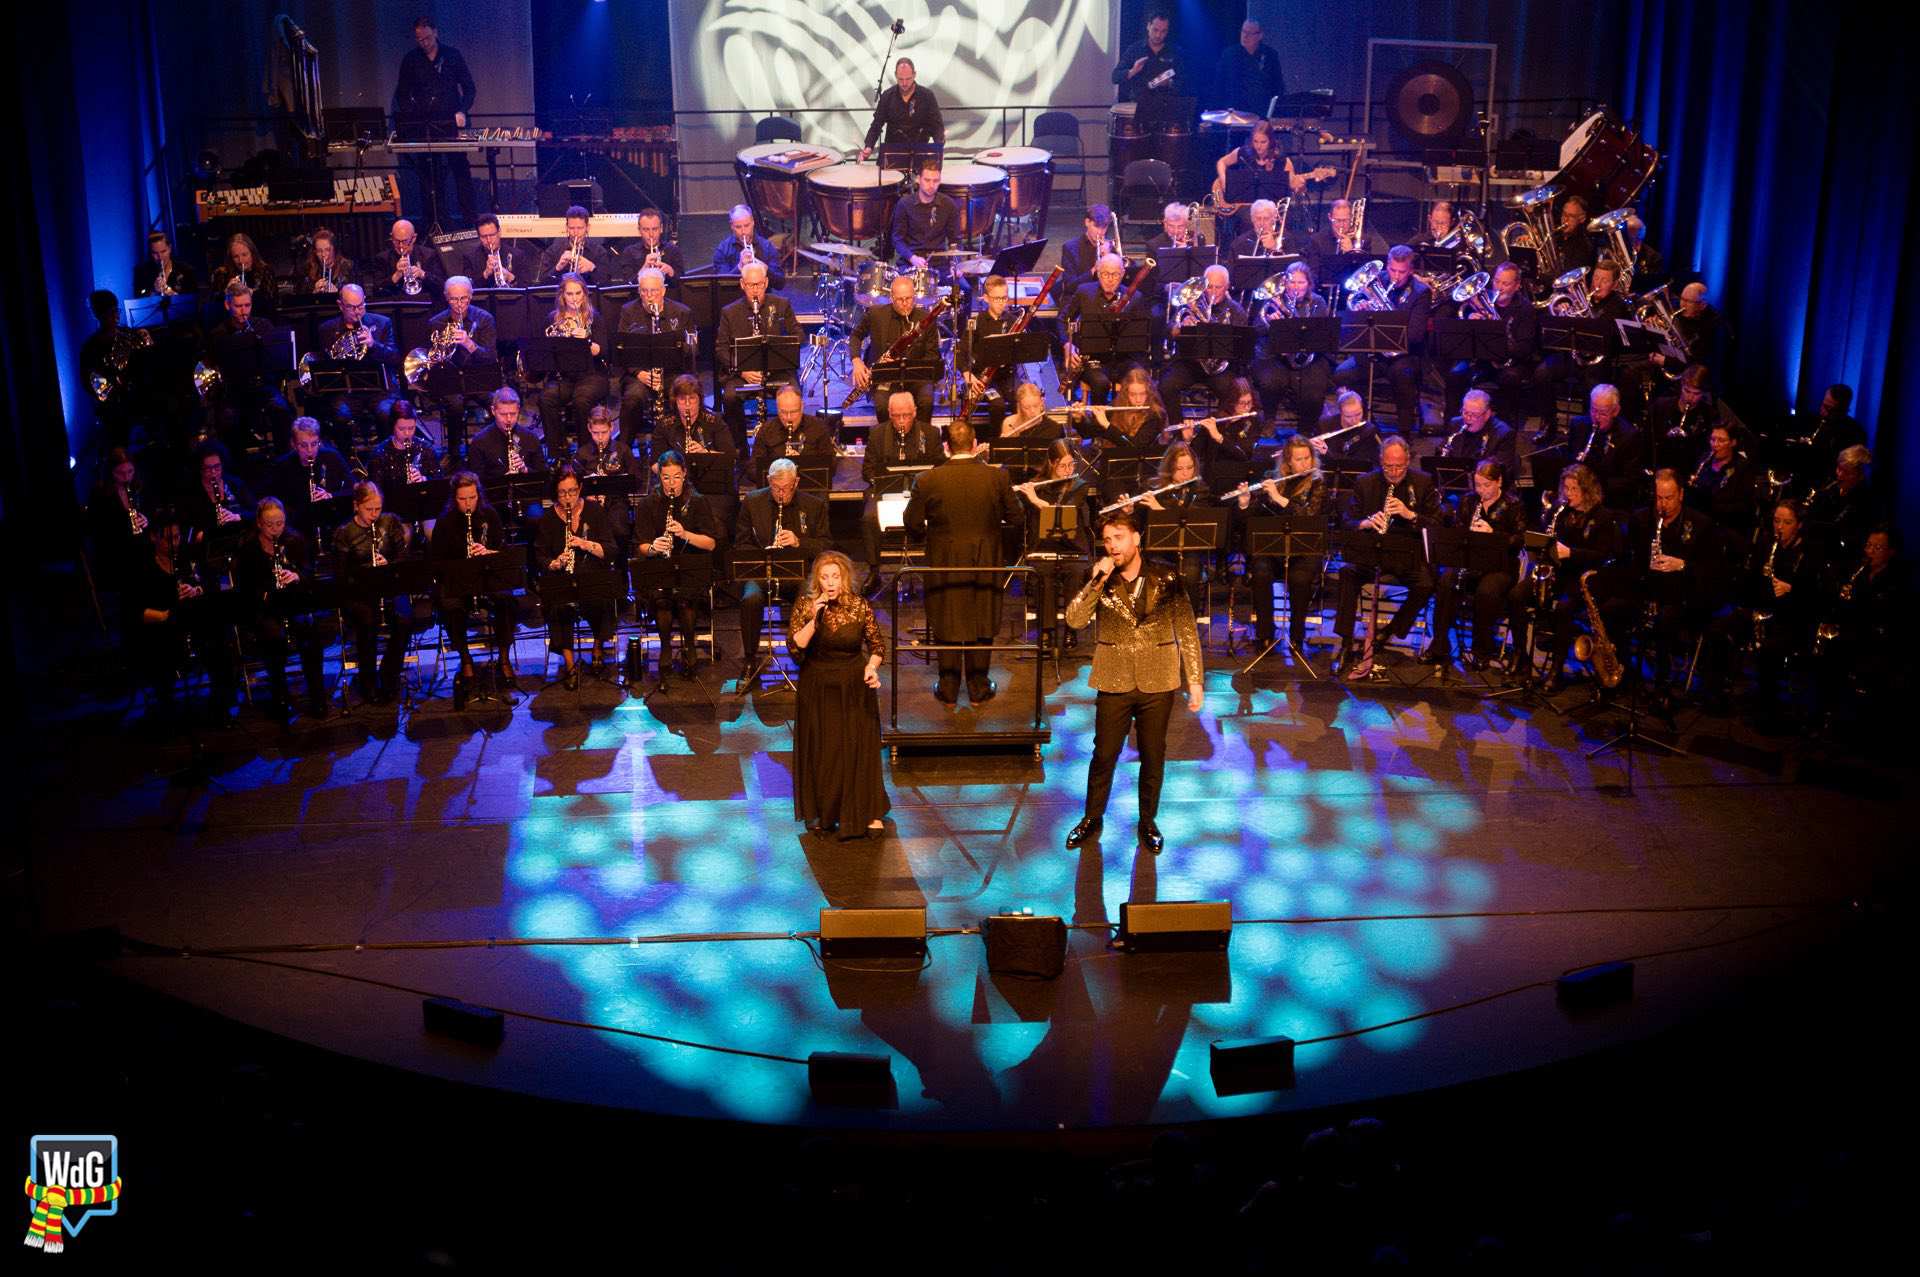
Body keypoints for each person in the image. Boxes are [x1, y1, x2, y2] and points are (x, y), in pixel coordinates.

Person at [1064, 509, 1206, 854]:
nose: (1113, 546)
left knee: (1153, 754)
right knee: (1105, 755)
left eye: (1119, 537)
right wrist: (1096, 581)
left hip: (1158, 679)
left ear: (1136, 539)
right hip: (1114, 677)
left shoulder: (1168, 578)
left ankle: (1148, 820)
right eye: (1108, 540)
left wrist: (1196, 680)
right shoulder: (1100, 579)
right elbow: (1075, 620)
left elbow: (1186, 629)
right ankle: (1091, 818)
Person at [903, 418, 1023, 705]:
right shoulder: (997, 477)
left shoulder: (928, 479)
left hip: (944, 561)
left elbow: (913, 524)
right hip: (986, 560)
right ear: (974, 444)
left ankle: (948, 687)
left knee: (947, 617)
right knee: (982, 617)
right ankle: (979, 687)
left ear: (946, 447)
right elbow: (1017, 518)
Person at [789, 550, 889, 839]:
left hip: (853, 682)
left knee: (856, 746)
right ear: (817, 580)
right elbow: (797, 647)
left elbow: (877, 646)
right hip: (818, 684)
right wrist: (814, 616)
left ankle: (867, 810)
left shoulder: (859, 606)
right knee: (826, 748)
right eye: (825, 577)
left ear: (844, 578)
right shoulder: (806, 606)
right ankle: (825, 810)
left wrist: (872, 668)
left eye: (835, 576)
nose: (830, 582)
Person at [1331, 434, 1442, 680]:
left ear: (1408, 461)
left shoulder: (1423, 483)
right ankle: (1346, 643)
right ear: (1380, 461)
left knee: (1426, 584)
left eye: (1399, 466)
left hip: (1406, 556)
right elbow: (1346, 522)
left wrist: (1409, 514)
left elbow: (1437, 524)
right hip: (1371, 552)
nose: (1393, 472)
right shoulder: (1365, 483)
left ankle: (1390, 631)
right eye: (1388, 466)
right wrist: (1366, 523)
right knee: (1347, 573)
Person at [1506, 463, 1620, 693]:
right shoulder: (1559, 510)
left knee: (1564, 609)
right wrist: (1539, 543)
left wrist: (1572, 553)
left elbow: (1604, 555)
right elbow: (1538, 536)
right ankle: (1521, 655)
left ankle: (1555, 670)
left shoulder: (1603, 516)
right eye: (1566, 488)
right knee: (1516, 595)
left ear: (1587, 490)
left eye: (1574, 489)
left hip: (1582, 578)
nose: (1568, 494)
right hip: (1555, 572)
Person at [123, 511, 235, 725]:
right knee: (161, 653)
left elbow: (212, 583)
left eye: (177, 537)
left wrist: (198, 590)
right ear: (154, 537)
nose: (175, 544)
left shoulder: (187, 559)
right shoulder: (143, 567)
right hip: (160, 629)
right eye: (168, 539)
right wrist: (167, 613)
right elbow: (134, 611)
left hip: (192, 623)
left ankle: (220, 706)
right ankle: (167, 711)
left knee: (219, 643)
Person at [1423, 459, 1525, 671]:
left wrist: (1493, 535)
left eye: (1486, 485)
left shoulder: (1514, 505)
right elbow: (1458, 531)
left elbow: (1520, 539)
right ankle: (1439, 644)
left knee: (1486, 591)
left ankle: (1481, 650)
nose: (1481, 490)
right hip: (1469, 562)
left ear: (1499, 482)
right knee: (1446, 580)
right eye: (1478, 485)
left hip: (1500, 567)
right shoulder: (1468, 501)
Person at [235, 497, 328, 722]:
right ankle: (280, 697)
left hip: (294, 602)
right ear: (259, 523)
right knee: (273, 639)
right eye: (270, 524)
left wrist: (296, 576)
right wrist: (267, 588)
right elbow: (244, 588)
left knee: (311, 636)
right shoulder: (249, 549)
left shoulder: (294, 540)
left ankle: (317, 696)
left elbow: (309, 573)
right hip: (265, 608)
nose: (276, 529)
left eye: (280, 523)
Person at [735, 458, 830, 676]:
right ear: (769, 481)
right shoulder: (752, 501)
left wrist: (799, 543)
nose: (781, 494)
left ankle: (801, 653)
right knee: (750, 598)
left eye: (786, 489)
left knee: (807, 596)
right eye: (776, 488)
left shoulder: (814, 505)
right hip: (761, 570)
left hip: (798, 572)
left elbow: (826, 546)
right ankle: (750, 659)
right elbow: (741, 543)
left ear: (796, 482)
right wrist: (764, 553)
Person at [431, 470, 518, 706]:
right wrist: (460, 561)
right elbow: (436, 563)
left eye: (472, 497)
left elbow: (503, 552)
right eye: (462, 499)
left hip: (487, 579)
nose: (468, 503)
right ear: (454, 498)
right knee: (450, 605)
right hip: (458, 583)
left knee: (506, 600)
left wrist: (488, 554)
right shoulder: (445, 522)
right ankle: (466, 658)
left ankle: (503, 657)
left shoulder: (489, 514)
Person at [632, 450, 719, 680]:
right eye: (666, 478)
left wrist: (685, 534)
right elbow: (640, 546)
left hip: (691, 570)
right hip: (659, 569)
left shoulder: (698, 501)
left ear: (685, 474)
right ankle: (666, 648)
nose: (672, 484)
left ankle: (689, 646)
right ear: (659, 477)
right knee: (661, 598)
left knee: (685, 599)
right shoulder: (649, 504)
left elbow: (710, 544)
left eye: (677, 477)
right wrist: (654, 547)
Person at [1238, 437, 1328, 658]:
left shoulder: (1318, 483)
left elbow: (1310, 516)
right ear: (1288, 462)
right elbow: (1251, 521)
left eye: (1308, 458)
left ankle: (1297, 636)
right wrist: (1244, 502)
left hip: (1304, 548)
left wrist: (1279, 498)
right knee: (1260, 572)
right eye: (1299, 459)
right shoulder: (1273, 479)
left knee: (1299, 579)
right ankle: (1265, 635)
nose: (1305, 463)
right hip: (1273, 547)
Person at [535, 465, 620, 689]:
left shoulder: (594, 512)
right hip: (563, 579)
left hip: (592, 576)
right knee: (556, 606)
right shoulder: (547, 518)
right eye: (563, 493)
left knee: (604, 599)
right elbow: (540, 555)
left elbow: (610, 550)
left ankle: (597, 648)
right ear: (556, 492)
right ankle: (570, 663)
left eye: (573, 491)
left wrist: (585, 544)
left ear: (580, 488)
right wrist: (554, 563)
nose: (568, 497)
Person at [1332, 244, 1430, 434]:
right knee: (1343, 374)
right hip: (1374, 351)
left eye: (1402, 272)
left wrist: (1388, 317)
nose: (1396, 276)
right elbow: (1355, 313)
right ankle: (1368, 426)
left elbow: (1416, 335)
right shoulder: (1377, 280)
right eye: (1392, 270)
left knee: (1404, 376)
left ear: (1410, 270)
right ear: (1387, 265)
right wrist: (1363, 310)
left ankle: (1404, 433)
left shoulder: (1420, 292)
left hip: (1404, 354)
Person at [391, 15, 477, 226]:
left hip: (451, 124)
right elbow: (401, 94)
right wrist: (413, 115)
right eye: (420, 40)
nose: (425, 43)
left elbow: (469, 89)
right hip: (425, 127)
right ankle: (436, 224)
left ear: (435, 33)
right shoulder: (411, 60)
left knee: (460, 171)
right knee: (430, 176)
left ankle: (469, 222)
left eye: (428, 38)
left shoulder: (452, 56)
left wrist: (462, 111)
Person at [332, 481, 413, 705]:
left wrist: (388, 564)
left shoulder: (390, 522)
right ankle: (367, 679)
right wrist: (365, 572)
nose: (374, 515)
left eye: (378, 509)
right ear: (356, 506)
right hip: (360, 593)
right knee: (367, 622)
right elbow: (340, 576)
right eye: (369, 510)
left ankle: (390, 671)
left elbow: (404, 558)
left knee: (404, 619)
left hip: (390, 586)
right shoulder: (344, 533)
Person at [862, 390, 943, 595]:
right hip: (887, 493)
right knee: (869, 517)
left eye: (906, 415)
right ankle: (874, 571)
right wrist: (880, 480)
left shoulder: (931, 433)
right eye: (896, 416)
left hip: (921, 494)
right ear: (889, 414)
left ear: (915, 412)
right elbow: (867, 470)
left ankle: (937, 568)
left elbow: (940, 466)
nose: (901, 421)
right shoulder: (877, 434)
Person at [202, 280, 292, 450]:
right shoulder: (218, 334)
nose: (244, 311)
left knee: (281, 410)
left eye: (247, 305)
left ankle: (283, 459)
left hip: (263, 386)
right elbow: (212, 367)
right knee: (228, 418)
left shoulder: (263, 326)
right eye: (238, 306)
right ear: (228, 306)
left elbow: (277, 361)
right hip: (234, 391)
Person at [715, 260, 801, 439]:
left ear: (766, 283)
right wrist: (743, 370)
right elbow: (721, 348)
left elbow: (799, 336)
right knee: (730, 397)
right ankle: (740, 447)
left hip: (777, 371)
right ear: (742, 284)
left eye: (759, 285)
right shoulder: (729, 312)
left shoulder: (781, 305)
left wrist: (781, 345)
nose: (755, 290)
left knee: (793, 392)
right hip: (742, 374)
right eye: (750, 285)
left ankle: (786, 441)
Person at [616, 267, 696, 446]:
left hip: (672, 372)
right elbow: (621, 349)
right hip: (641, 374)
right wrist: (639, 373)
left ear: (663, 290)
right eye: (644, 291)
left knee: (682, 392)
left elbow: (693, 348)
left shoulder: (682, 312)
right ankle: (624, 450)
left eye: (654, 290)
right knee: (633, 398)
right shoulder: (628, 312)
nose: (649, 295)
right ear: (639, 291)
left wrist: (677, 347)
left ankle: (683, 442)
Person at [1250, 260, 1334, 427]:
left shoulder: (1318, 302)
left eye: (1301, 282)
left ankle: (1307, 428)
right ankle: (1269, 420)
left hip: (1308, 356)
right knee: (1269, 381)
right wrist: (1269, 322)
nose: (1296, 287)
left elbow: (1321, 333)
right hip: (1274, 355)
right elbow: (1256, 329)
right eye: (1292, 282)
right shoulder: (1271, 301)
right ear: (1285, 283)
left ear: (1308, 284)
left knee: (1314, 388)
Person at [851, 272, 939, 422]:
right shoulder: (876, 314)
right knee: (882, 404)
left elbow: (932, 356)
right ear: (892, 298)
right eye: (900, 299)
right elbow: (855, 336)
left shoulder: (925, 319)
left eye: (909, 298)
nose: (905, 303)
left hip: (916, 379)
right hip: (885, 378)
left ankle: (923, 440)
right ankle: (887, 441)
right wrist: (856, 361)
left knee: (926, 401)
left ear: (915, 296)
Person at [535, 273, 611, 446]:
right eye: (570, 294)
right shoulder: (552, 319)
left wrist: (587, 340)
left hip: (592, 375)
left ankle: (585, 451)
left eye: (578, 293)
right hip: (563, 376)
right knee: (546, 399)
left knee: (581, 400)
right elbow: (545, 352)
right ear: (562, 295)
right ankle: (557, 450)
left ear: (584, 294)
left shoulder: (594, 318)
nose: (574, 298)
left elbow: (604, 352)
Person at [1059, 253, 1146, 403]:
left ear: (1123, 274)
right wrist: (1067, 344)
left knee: (1140, 379)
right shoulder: (1084, 292)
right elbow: (1062, 319)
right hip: (1092, 360)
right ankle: (1098, 423)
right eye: (1105, 274)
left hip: (1123, 359)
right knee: (1101, 384)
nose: (1110, 279)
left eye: (1115, 274)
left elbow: (1140, 334)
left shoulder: (1135, 297)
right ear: (1098, 273)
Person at [954, 274, 1024, 437]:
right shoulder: (977, 322)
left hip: (1007, 376)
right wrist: (967, 374)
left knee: (1020, 400)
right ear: (985, 298)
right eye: (997, 298)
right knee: (997, 404)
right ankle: (995, 444)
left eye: (1005, 298)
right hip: (984, 379)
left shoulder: (1013, 321)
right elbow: (960, 350)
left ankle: (1017, 441)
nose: (1002, 303)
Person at [269, 418, 354, 537]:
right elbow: (275, 502)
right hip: (298, 527)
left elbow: (352, 489)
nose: (310, 451)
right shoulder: (282, 466)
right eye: (303, 445)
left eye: (314, 444)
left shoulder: (332, 457)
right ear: (293, 444)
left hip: (333, 522)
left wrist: (331, 496)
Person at [861, 57, 944, 165]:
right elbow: (876, 125)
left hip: (919, 154)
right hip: (892, 155)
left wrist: (939, 145)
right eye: (900, 79)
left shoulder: (927, 96)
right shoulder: (887, 96)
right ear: (895, 75)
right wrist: (869, 146)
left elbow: (937, 126)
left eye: (908, 79)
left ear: (914, 75)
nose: (904, 83)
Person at [467, 387, 548, 496]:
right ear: (493, 411)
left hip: (526, 495)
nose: (509, 419)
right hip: (494, 498)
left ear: (518, 409)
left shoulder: (531, 438)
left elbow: (543, 477)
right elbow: (475, 482)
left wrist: (525, 470)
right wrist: (502, 479)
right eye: (503, 414)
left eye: (513, 414)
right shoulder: (479, 441)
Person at [1684, 423, 1760, 538]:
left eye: (1721, 440)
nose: (1715, 445)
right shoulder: (1704, 459)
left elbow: (1744, 506)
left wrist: (1711, 506)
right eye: (1713, 439)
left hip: (1725, 526)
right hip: (1699, 520)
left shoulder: (1742, 468)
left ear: (1733, 443)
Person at [750, 385, 835, 485]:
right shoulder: (766, 431)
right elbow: (753, 469)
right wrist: (779, 472)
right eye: (784, 412)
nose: (789, 418)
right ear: (777, 409)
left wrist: (801, 462)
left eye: (794, 412)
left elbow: (831, 466)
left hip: (810, 492)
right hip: (776, 492)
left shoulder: (818, 427)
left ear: (802, 407)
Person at [891, 159, 961, 270]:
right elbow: (897, 239)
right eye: (927, 180)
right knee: (904, 286)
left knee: (965, 287)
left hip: (940, 262)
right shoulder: (904, 204)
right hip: (911, 261)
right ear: (918, 179)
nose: (931, 185)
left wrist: (955, 264)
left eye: (936, 181)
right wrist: (912, 258)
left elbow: (955, 240)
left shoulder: (948, 204)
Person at [365, 399, 444, 496]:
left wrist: (424, 480)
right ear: (392, 426)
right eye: (401, 429)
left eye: (411, 428)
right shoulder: (379, 454)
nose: (407, 433)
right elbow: (375, 491)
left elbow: (439, 481)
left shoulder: (425, 448)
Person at [1438, 389, 1518, 476]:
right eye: (1465, 412)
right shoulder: (1456, 424)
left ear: (1487, 414)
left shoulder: (1503, 433)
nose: (1468, 418)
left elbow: (1500, 471)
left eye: (1474, 415)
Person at [1213, 19, 1285, 115]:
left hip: (1261, 113)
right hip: (1235, 112)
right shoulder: (1229, 55)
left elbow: (1277, 86)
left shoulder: (1270, 55)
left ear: (1260, 36)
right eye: (1243, 31)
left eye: (1249, 33)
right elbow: (1219, 85)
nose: (1245, 36)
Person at [1113, 10, 1185, 104]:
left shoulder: (1176, 52)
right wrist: (1133, 71)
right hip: (1139, 104)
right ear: (1148, 26)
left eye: (1163, 31)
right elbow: (1115, 77)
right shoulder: (1135, 49)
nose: (1158, 35)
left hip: (1167, 105)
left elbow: (1186, 83)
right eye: (1155, 30)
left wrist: (1169, 83)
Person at [711, 205, 786, 290]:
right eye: (738, 227)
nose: (743, 232)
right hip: (734, 299)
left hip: (763, 297)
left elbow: (780, 284)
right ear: (732, 226)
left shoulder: (767, 246)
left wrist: (765, 269)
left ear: (753, 223)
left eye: (747, 226)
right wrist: (739, 266)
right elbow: (722, 286)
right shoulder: (722, 250)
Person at [371, 219, 447, 300]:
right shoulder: (382, 258)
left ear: (414, 238)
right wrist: (396, 275)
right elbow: (376, 292)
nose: (400, 246)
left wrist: (423, 274)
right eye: (396, 241)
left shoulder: (429, 255)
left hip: (426, 305)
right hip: (396, 306)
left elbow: (443, 286)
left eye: (404, 241)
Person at [539, 205, 612, 283]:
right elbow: (543, 281)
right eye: (572, 228)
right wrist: (557, 268)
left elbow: (606, 282)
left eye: (580, 228)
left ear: (588, 228)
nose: (576, 232)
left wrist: (592, 268)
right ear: (566, 228)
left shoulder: (599, 252)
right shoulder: (553, 251)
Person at [1058, 205, 1118, 298]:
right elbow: (1070, 286)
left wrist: (1109, 257)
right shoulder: (1070, 247)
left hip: (1105, 301)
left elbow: (1127, 276)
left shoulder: (1111, 247)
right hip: (1080, 301)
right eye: (1097, 226)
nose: (1100, 232)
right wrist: (1093, 271)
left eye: (1104, 227)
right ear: (1087, 222)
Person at [210, 233, 278, 313]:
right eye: (236, 256)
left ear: (252, 254)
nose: (241, 260)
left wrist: (252, 294)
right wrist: (226, 292)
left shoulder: (265, 270)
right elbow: (213, 307)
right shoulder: (222, 274)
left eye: (244, 255)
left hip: (260, 318)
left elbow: (272, 303)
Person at [621, 208, 684, 283]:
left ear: (661, 229)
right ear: (639, 230)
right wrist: (644, 268)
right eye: (646, 230)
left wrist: (671, 272)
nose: (651, 234)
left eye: (655, 229)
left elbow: (683, 283)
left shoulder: (673, 250)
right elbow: (628, 285)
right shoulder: (629, 253)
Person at [460, 214, 520, 287]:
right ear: (479, 237)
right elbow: (467, 289)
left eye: (492, 235)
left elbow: (526, 289)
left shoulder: (517, 255)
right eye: (484, 236)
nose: (489, 240)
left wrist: (510, 277)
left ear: (499, 232)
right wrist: (485, 274)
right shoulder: (470, 258)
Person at [135, 230, 195, 297]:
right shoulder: (141, 272)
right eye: (155, 253)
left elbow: (193, 300)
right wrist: (153, 291)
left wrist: (173, 294)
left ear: (169, 248)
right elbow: (138, 296)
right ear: (150, 253)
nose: (160, 257)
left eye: (163, 251)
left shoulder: (186, 270)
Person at [300, 228, 355, 295]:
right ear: (315, 252)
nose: (323, 254)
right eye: (319, 251)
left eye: (328, 250)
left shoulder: (347, 267)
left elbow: (355, 297)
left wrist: (337, 293)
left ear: (334, 249)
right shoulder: (308, 269)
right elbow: (301, 299)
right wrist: (314, 293)